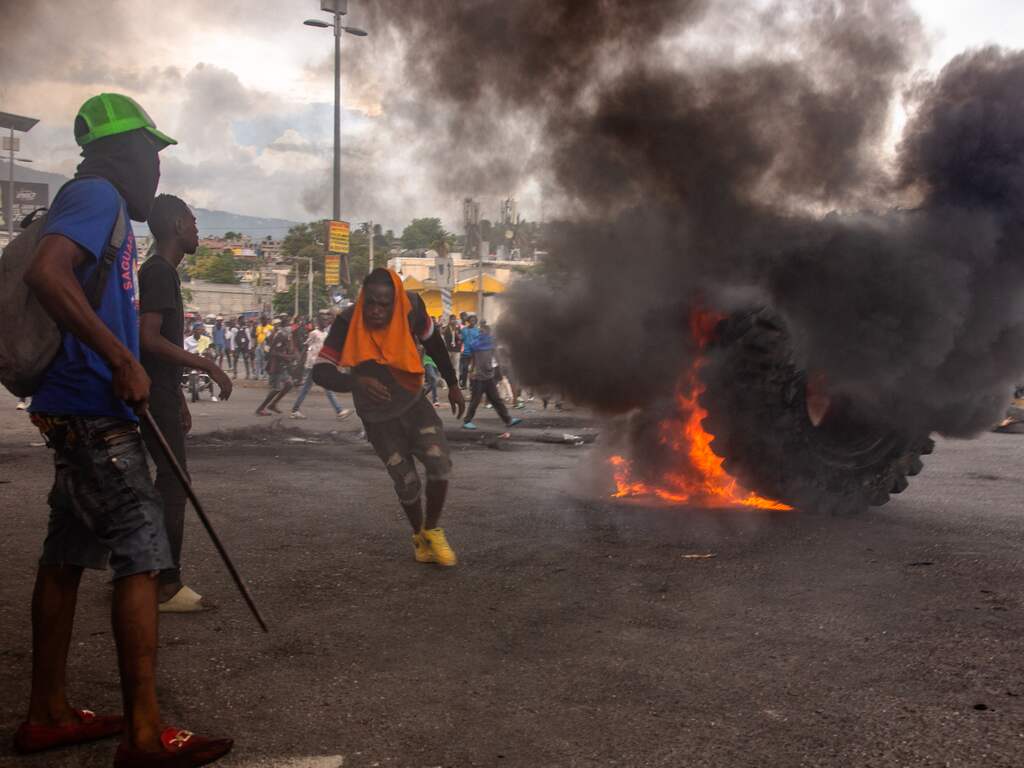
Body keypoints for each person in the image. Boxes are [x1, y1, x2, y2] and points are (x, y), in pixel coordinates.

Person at [17, 93, 232, 766]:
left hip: (74, 411)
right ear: (124, 151)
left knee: (66, 557)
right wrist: (120, 359)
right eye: (153, 154)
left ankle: (47, 713)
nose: (157, 171)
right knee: (143, 560)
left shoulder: (94, 203)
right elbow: (47, 273)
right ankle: (145, 734)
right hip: (96, 413)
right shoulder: (97, 197)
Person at [313, 268, 465, 566]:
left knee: (439, 462)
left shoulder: (413, 308)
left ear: (396, 301)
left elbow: (434, 343)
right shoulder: (347, 320)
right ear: (362, 298)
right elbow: (321, 370)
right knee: (406, 481)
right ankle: (419, 537)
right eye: (370, 302)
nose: (376, 311)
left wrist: (454, 383)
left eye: (384, 304)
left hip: (413, 402)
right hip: (377, 416)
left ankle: (432, 530)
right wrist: (356, 381)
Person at [138, 194, 232, 614]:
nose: (197, 230)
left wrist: (178, 397)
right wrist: (206, 363)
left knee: (164, 485)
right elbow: (149, 339)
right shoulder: (158, 271)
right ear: (177, 225)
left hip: (162, 392)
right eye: (193, 222)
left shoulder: (165, 273)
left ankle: (146, 574)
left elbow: (160, 349)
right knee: (173, 485)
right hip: (151, 394)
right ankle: (165, 584)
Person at [462, 322, 523, 430]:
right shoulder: (475, 344)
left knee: (496, 400)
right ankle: (467, 421)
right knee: (475, 400)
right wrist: (471, 372)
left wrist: (498, 370)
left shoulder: (491, 344)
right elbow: (474, 359)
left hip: (489, 377)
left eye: (484, 331)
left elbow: (496, 359)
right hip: (479, 377)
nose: (482, 333)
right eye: (481, 331)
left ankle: (508, 420)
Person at [290, 315, 351, 419]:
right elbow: (306, 346)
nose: (326, 322)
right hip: (313, 363)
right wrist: (301, 361)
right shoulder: (314, 333)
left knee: (306, 388)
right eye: (323, 320)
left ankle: (295, 410)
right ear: (318, 322)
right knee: (327, 388)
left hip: (320, 363)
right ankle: (339, 411)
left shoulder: (326, 334)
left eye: (327, 320)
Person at [255, 319, 296, 415]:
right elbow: (272, 352)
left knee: (289, 384)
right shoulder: (277, 337)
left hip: (281, 365)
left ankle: (273, 404)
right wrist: (288, 357)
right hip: (275, 366)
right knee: (276, 388)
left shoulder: (281, 336)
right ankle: (261, 409)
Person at [458, 314, 479, 389]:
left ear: (476, 321)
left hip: (475, 352)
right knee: (465, 369)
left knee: (472, 369)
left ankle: (471, 385)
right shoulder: (464, 330)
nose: (472, 322)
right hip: (465, 352)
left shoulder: (478, 330)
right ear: (468, 321)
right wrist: (459, 339)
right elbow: (461, 340)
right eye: (471, 320)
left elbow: (479, 340)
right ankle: (464, 384)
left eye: (474, 320)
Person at [441, 314, 462, 380]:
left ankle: (456, 381)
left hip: (456, 350)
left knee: (456, 367)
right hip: (448, 349)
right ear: (449, 320)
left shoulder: (458, 328)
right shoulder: (446, 328)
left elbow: (460, 338)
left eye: (454, 319)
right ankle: (446, 382)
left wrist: (456, 331)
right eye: (452, 319)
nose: (453, 321)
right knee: (447, 366)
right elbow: (443, 334)